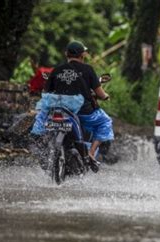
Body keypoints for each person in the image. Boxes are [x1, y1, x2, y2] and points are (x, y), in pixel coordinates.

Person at [32, 40, 113, 171]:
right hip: (83, 112)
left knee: (42, 123)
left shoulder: (57, 70)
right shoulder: (88, 70)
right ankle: (91, 153)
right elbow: (100, 94)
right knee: (105, 122)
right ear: (83, 55)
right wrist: (106, 97)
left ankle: (44, 150)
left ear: (66, 54)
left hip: (57, 109)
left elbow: (46, 92)